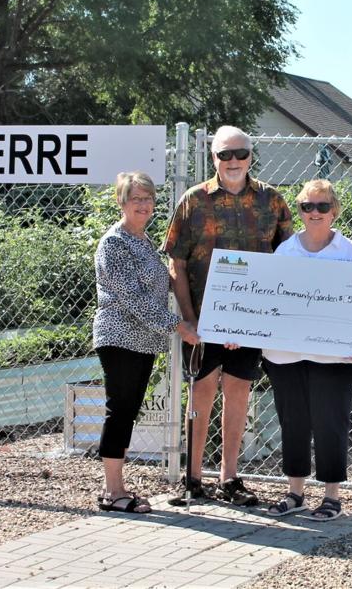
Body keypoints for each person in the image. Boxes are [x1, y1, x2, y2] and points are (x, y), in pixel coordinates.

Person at [164, 126, 293, 506]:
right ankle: (192, 479)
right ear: (213, 158)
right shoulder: (193, 201)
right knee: (201, 394)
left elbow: (289, 262)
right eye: (225, 155)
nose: (233, 161)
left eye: (240, 153)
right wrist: (190, 322)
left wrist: (265, 318)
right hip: (202, 322)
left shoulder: (272, 201)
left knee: (238, 394)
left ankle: (230, 478)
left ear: (251, 155)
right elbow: (177, 262)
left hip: (250, 323)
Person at [93, 171, 200, 514]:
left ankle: (118, 487)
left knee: (127, 410)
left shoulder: (142, 241)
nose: (143, 205)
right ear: (122, 202)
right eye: (136, 198)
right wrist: (179, 326)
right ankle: (112, 492)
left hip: (142, 340)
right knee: (119, 410)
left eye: (148, 199)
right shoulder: (115, 242)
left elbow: (161, 285)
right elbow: (133, 299)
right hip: (120, 336)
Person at [259, 180, 352, 521]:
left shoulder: (350, 252)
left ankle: (332, 497)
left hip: (336, 357)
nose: (315, 213)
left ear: (334, 210)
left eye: (322, 206)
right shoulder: (286, 251)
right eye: (307, 206)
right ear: (300, 211)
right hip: (285, 355)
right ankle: (295, 493)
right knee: (293, 422)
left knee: (330, 422)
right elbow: (269, 302)